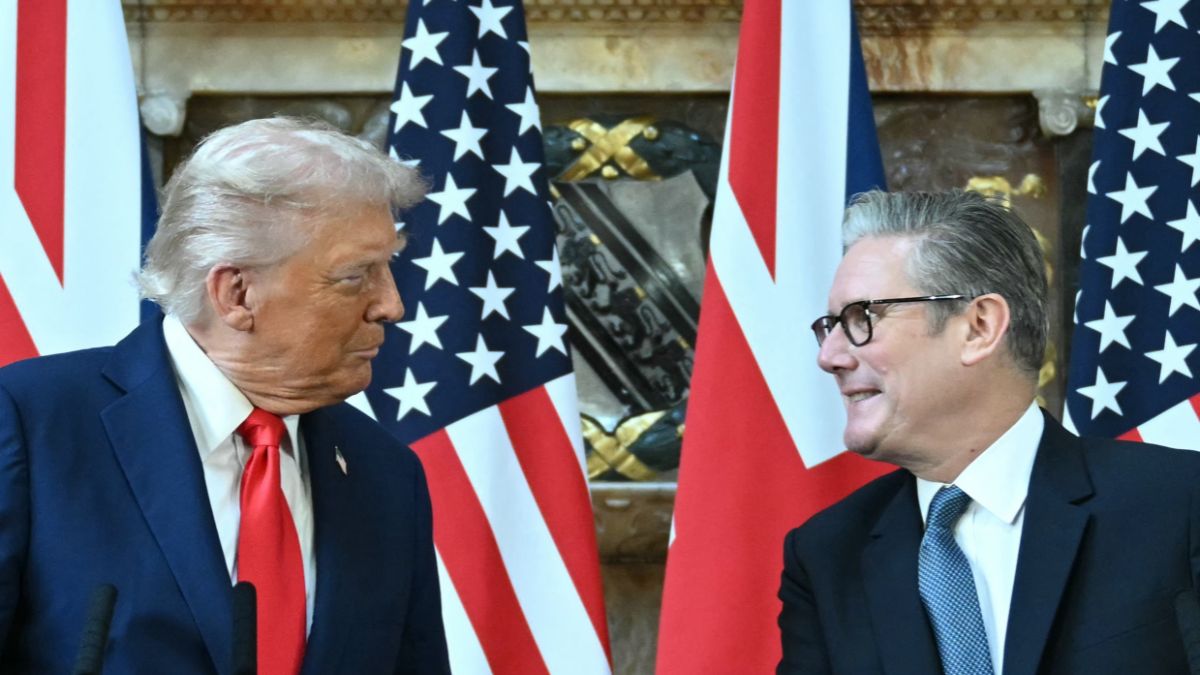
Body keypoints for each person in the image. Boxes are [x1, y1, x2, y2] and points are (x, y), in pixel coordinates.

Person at [0, 117, 451, 674]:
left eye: (389, 268)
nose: (391, 305)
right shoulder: (30, 422)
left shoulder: (385, 474)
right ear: (236, 292)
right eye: (356, 276)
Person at [779, 189, 1200, 675]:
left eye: (861, 319)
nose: (829, 356)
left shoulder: (1179, 504)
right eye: (829, 325)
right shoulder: (828, 555)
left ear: (979, 327)